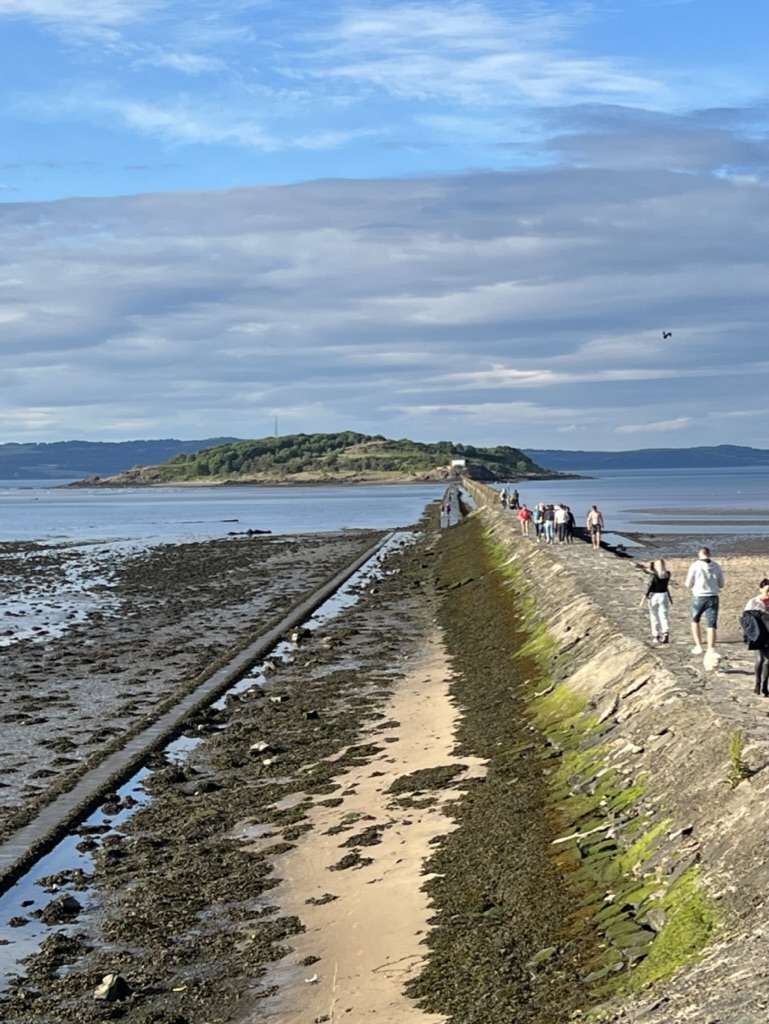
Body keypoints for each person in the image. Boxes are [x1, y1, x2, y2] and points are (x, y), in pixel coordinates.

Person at [685, 547, 725, 655]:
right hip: (713, 596)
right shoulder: (716, 565)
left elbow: (688, 583)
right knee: (711, 624)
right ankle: (711, 648)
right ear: (709, 554)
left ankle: (698, 645)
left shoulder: (695, 565)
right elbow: (721, 583)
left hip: (699, 596)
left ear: (699, 554)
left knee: (695, 620)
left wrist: (695, 585)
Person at [743, 579, 769, 696]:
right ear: (761, 589)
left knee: (768, 660)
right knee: (760, 658)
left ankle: (764, 685)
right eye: (767, 591)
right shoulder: (753, 602)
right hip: (758, 634)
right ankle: (757, 683)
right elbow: (746, 619)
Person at [640, 559, 673, 644]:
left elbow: (649, 587)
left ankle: (656, 636)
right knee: (664, 616)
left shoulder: (653, 576)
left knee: (654, 616)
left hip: (654, 596)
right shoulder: (667, 574)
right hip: (664, 595)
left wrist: (643, 599)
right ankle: (665, 634)